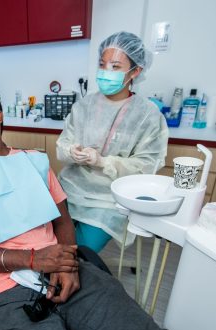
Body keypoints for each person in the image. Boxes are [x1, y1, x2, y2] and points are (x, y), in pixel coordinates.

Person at [0, 84, 198, 330]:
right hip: (9, 292)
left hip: (65, 271)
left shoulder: (33, 162)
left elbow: (63, 222)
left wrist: (70, 266)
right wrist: (33, 259)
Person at [56, 31, 169, 252]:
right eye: (102, 64)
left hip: (109, 200)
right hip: (69, 188)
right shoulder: (84, 105)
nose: (106, 72)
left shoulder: (147, 115)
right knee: (47, 241)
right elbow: (62, 145)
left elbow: (146, 168)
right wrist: (72, 151)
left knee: (80, 253)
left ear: (135, 71)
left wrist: (103, 162)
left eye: (115, 67)